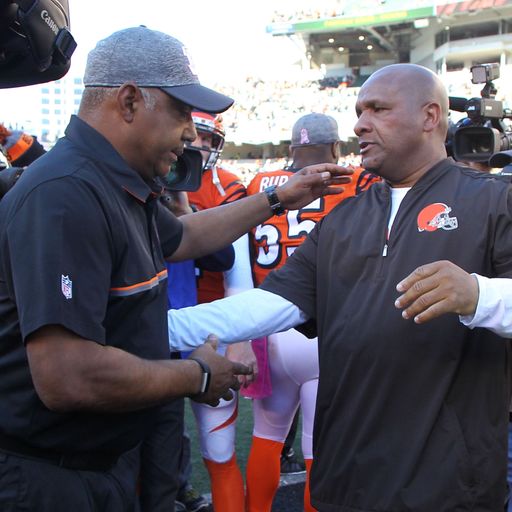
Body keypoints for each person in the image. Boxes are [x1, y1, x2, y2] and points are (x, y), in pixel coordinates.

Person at [0, 26, 350, 512]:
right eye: (182, 111)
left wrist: (276, 199)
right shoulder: (65, 194)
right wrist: (196, 376)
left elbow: (184, 237)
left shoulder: (115, 182)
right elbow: (67, 375)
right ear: (127, 102)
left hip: (97, 464)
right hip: (47, 478)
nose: (191, 131)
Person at [168, 63, 512, 511]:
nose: (359, 124)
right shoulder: (344, 218)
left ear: (430, 117)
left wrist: (479, 296)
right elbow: (267, 306)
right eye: (358, 110)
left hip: (447, 485)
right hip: (346, 478)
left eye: (378, 109)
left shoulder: (494, 200)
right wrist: (157, 328)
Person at [244, 113, 378, 512]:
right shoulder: (359, 182)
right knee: (319, 451)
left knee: (266, 437)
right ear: (337, 148)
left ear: (290, 149)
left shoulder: (260, 184)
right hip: (324, 328)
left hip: (268, 326)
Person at [186, 111, 256, 512]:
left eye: (209, 140)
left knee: (219, 450)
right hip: (150, 321)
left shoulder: (228, 187)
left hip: (209, 327)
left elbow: (237, 270)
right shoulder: (143, 171)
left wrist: (240, 340)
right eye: (195, 137)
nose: (200, 147)